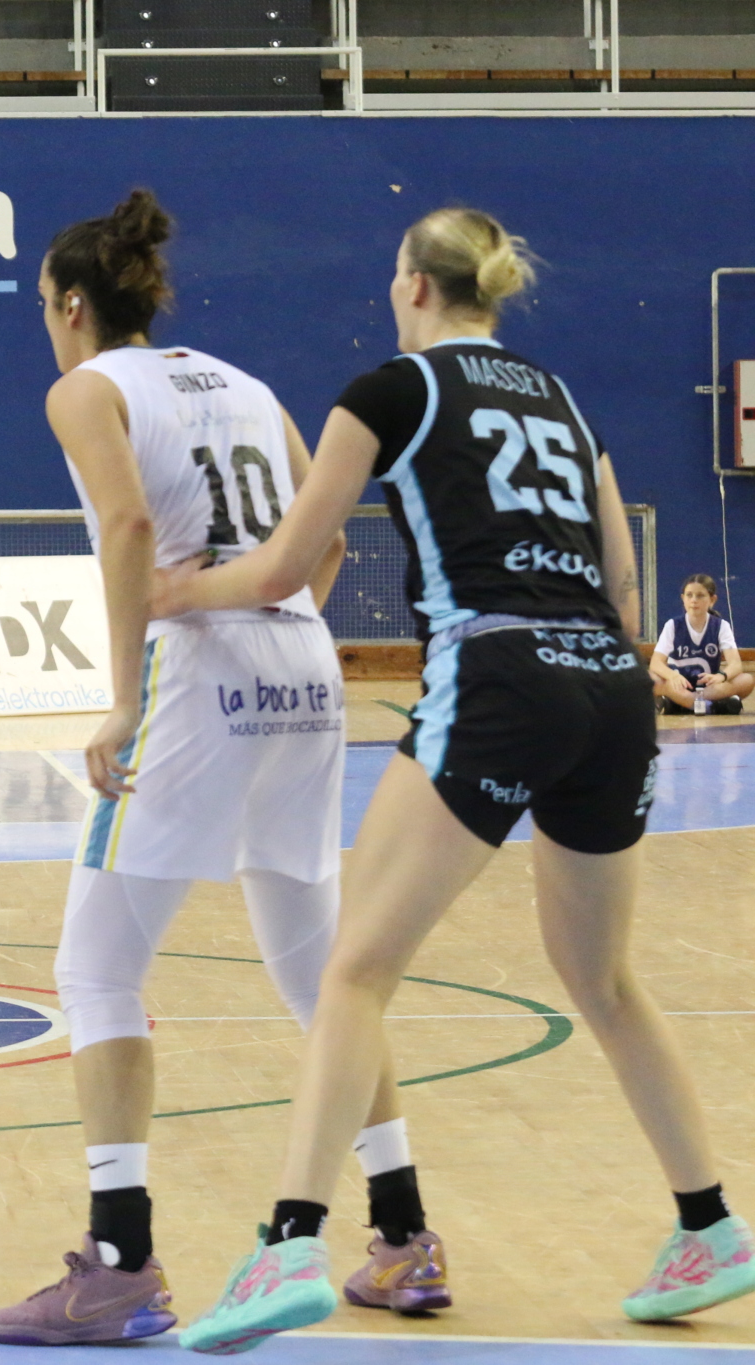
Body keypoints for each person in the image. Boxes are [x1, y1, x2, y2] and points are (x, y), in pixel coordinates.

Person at [170, 208, 754, 1355]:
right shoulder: (561, 399)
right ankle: (709, 1225)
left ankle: (285, 1243)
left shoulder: (385, 390)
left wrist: (172, 594)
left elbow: (288, 563)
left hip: (495, 671)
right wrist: (590, 680)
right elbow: (621, 576)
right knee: (603, 980)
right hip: (608, 683)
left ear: (415, 289)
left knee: (351, 972)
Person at [0, 189, 441, 1349]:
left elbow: (130, 530)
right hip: (301, 671)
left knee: (93, 972)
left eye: (43, 305)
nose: (45, 323)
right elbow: (326, 536)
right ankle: (401, 1237)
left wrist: (124, 697)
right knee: (319, 977)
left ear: (73, 305)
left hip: (193, 678)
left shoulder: (84, 389)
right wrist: (277, 628)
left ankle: (119, 1266)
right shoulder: (244, 384)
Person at [651, 573, 751, 715]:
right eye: (689, 595)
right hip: (678, 686)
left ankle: (682, 704)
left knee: (746, 680)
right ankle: (712, 706)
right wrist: (672, 676)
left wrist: (721, 676)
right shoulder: (672, 625)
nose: (693, 600)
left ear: (712, 600)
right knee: (649, 678)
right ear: (683, 599)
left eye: (700, 596)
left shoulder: (721, 626)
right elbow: (656, 663)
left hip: (708, 688)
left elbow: (736, 664)